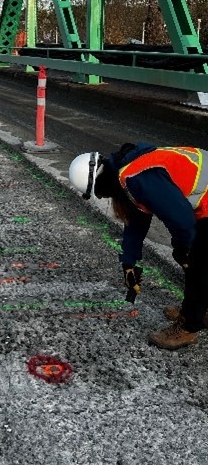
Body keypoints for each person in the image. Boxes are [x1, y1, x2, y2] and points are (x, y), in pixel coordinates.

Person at [69, 143, 208, 350]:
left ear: (98, 183)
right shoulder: (126, 172)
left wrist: (183, 248)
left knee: (198, 260)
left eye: (97, 193)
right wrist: (129, 261)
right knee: (191, 255)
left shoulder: (139, 179)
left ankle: (188, 326)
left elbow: (184, 222)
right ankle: (198, 310)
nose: (101, 197)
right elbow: (136, 220)